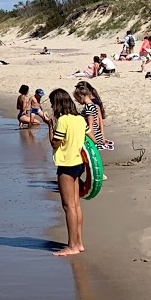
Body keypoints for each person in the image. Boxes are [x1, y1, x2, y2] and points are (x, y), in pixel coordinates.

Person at [48, 88, 88, 256]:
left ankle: (72, 245)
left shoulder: (63, 120)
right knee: (76, 204)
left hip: (67, 164)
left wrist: (50, 126)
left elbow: (55, 144)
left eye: (52, 103)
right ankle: (78, 243)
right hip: (79, 163)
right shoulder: (80, 119)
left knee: (68, 206)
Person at [73, 80, 108, 148]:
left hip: (93, 136)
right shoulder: (93, 105)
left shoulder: (89, 107)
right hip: (96, 134)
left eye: (77, 99)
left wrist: (91, 138)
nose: (77, 101)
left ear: (81, 96)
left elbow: (91, 124)